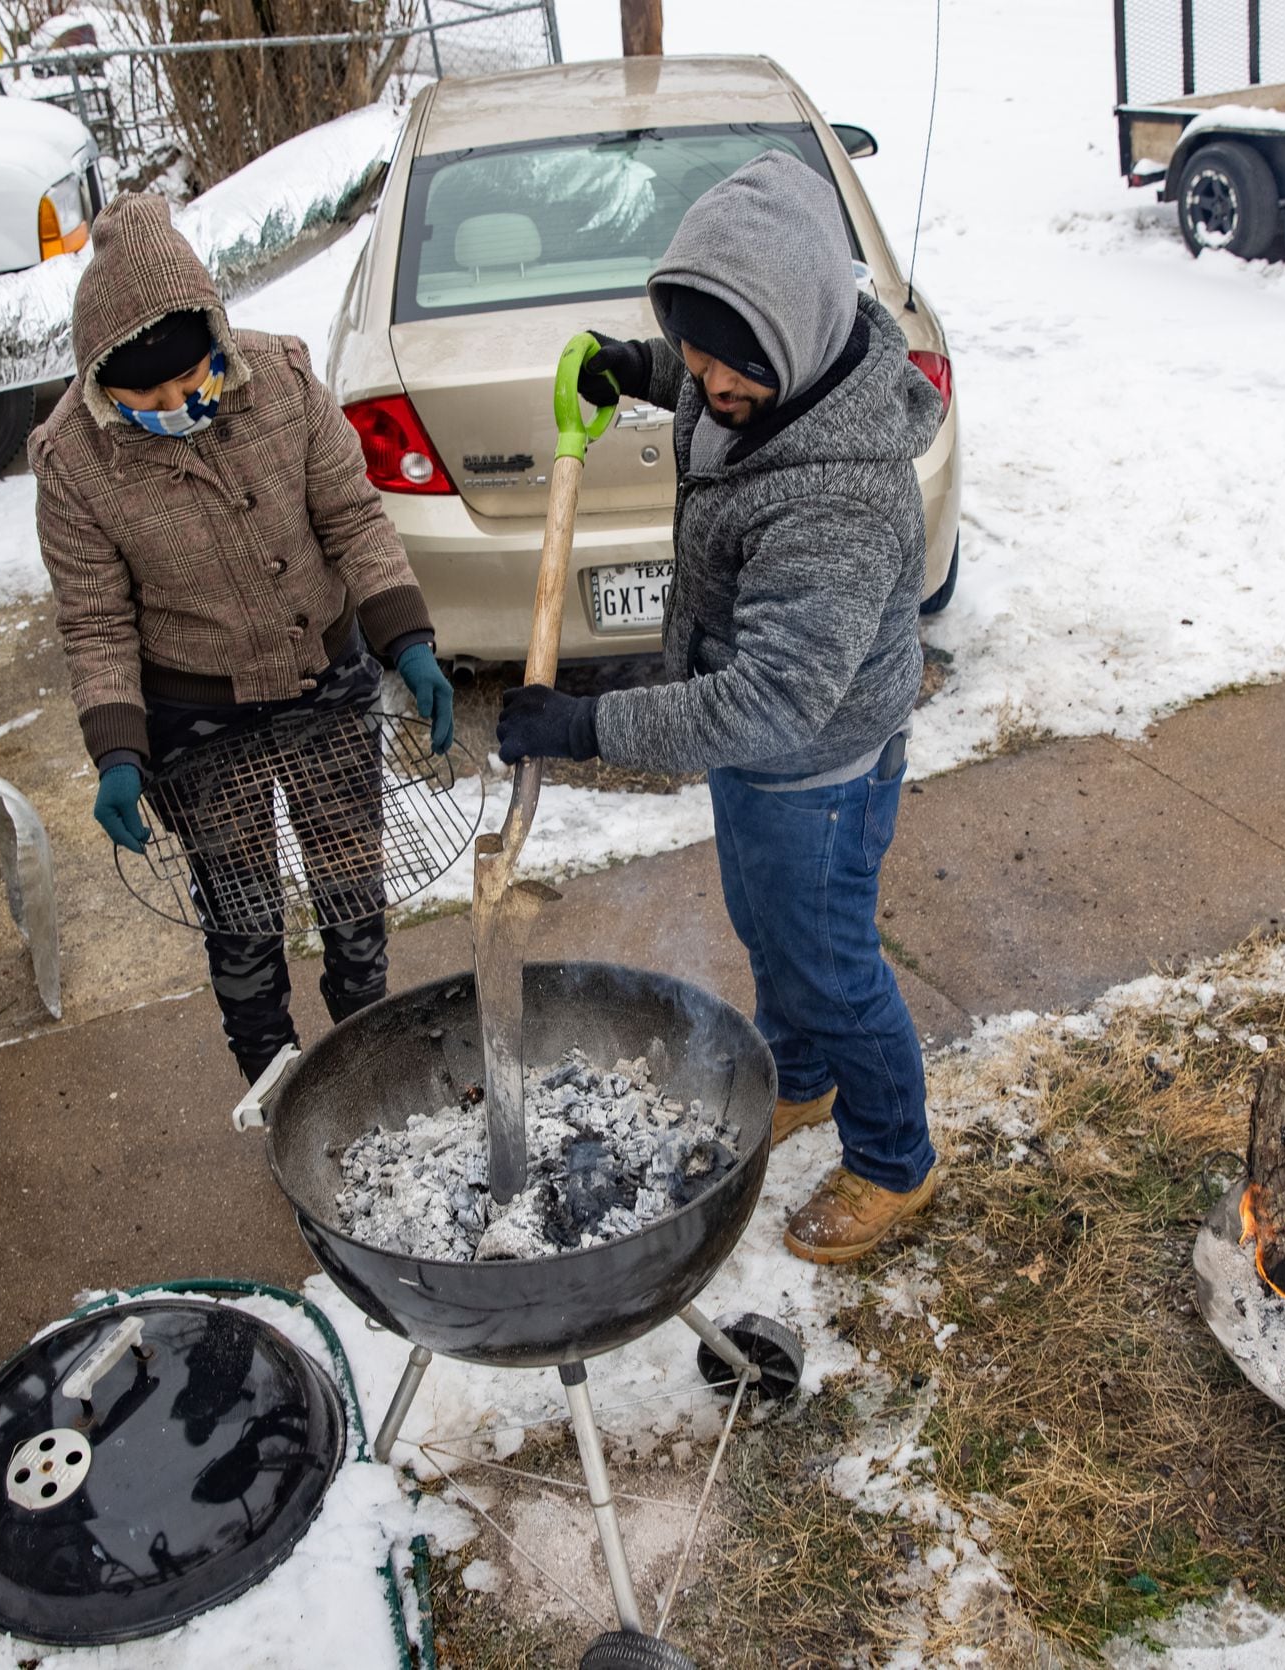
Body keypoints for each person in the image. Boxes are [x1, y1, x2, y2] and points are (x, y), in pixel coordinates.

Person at [496, 152, 946, 1265]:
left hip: (818, 768)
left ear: (786, 340)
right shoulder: (765, 365)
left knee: (834, 962)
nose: (703, 380)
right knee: (767, 927)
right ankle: (801, 1070)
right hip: (758, 757)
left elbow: (774, 700)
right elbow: (708, 389)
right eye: (689, 353)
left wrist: (589, 726)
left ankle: (895, 1158)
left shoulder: (835, 498)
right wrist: (636, 367)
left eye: (719, 362)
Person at [34, 193, 452, 1093]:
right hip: (197, 710)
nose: (178, 404)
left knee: (350, 881)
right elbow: (97, 619)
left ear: (217, 339)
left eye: (193, 380)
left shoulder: (284, 382)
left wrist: (405, 637)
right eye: (147, 394)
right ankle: (273, 1079)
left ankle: (368, 1041)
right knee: (242, 907)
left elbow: (353, 518)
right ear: (104, 379)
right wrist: (117, 747)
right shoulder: (74, 464)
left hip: (324, 682)